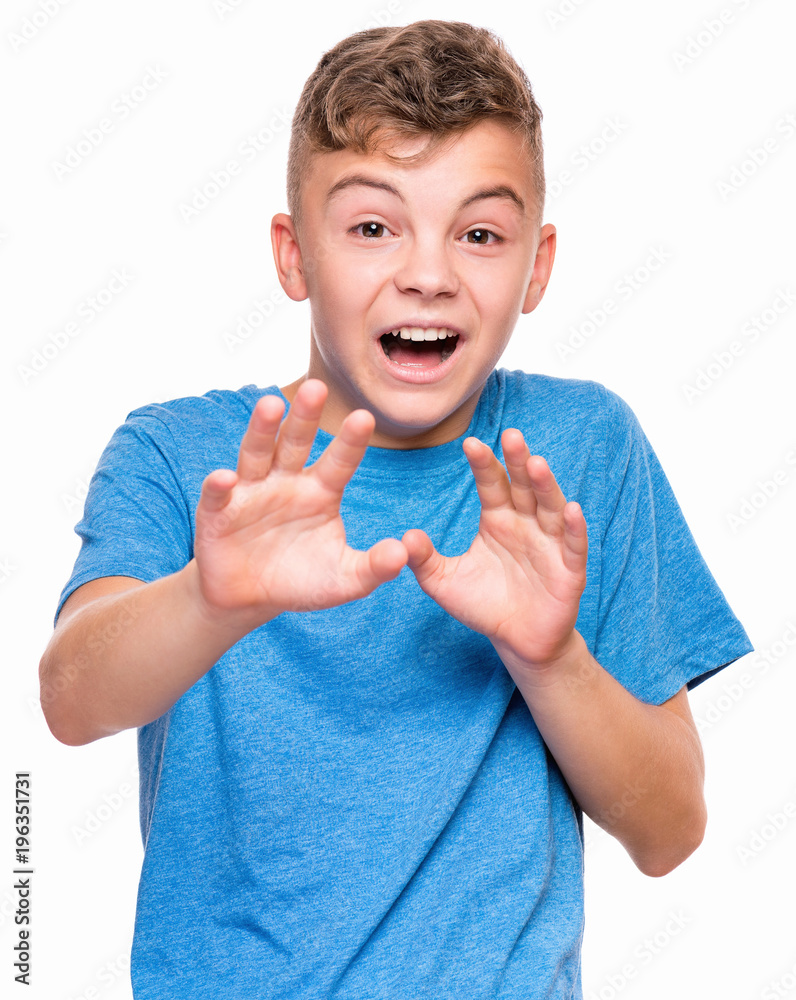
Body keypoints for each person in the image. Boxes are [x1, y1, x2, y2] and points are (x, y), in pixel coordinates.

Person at [39, 19, 752, 999]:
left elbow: (669, 831)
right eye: (373, 227)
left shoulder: (580, 449)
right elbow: (71, 700)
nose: (428, 273)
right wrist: (212, 598)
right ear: (294, 254)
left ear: (537, 266)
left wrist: (549, 658)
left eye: (480, 234)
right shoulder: (181, 455)